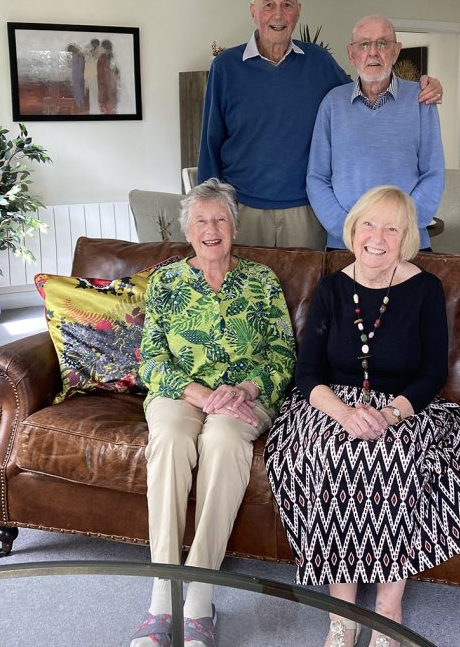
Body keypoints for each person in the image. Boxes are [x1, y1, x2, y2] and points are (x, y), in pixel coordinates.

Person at [264, 186, 460, 647]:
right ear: (353, 229)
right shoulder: (332, 289)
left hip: (404, 404)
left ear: (406, 238)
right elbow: (308, 373)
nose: (377, 238)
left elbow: (433, 373)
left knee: (392, 457)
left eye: (391, 229)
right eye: (368, 225)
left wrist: (390, 414)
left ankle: (387, 610)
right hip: (331, 402)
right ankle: (342, 614)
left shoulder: (425, 289)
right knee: (325, 455)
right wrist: (344, 414)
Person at [132, 179, 296, 647]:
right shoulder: (165, 282)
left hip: (245, 396)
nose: (211, 229)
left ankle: (201, 596)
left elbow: (283, 353)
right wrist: (201, 395)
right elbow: (151, 360)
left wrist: (245, 388)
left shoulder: (262, 280)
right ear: (187, 230)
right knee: (170, 440)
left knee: (223, 441)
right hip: (181, 393)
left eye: (220, 219)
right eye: (201, 220)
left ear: (234, 228)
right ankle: (163, 593)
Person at [198, 0, 444, 249]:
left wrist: (426, 87)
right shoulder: (226, 67)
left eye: (287, 5)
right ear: (253, 11)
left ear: (298, 11)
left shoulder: (318, 62)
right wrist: (207, 210)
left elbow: (363, 90)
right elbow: (210, 142)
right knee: (246, 279)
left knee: (307, 280)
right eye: (268, 5)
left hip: (305, 213)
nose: (278, 14)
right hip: (244, 208)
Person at [307, 15, 445, 251]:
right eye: (364, 44)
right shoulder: (332, 103)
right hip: (345, 244)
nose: (373, 52)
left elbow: (433, 174)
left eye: (382, 43)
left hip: (406, 244)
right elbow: (317, 178)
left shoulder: (421, 100)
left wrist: (400, 229)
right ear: (352, 54)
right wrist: (348, 230)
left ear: (395, 52)